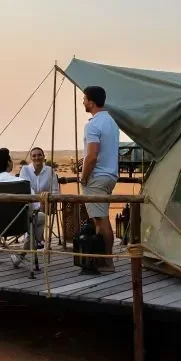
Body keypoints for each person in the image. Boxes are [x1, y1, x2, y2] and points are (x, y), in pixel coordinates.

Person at [79, 85, 120, 269]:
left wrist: (83, 176)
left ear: (91, 102)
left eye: (84, 98)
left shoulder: (93, 125)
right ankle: (104, 258)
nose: (83, 101)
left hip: (97, 177)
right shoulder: (111, 122)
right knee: (101, 217)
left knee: (100, 219)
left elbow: (92, 155)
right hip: (110, 175)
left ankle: (107, 260)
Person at [19, 147, 58, 248]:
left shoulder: (50, 171)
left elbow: (55, 190)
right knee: (37, 204)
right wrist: (38, 197)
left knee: (43, 203)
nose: (37, 157)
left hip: (46, 203)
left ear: (44, 157)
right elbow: (25, 188)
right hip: (29, 202)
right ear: (31, 158)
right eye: (34, 155)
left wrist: (45, 197)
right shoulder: (25, 169)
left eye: (39, 155)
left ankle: (35, 238)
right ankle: (38, 238)